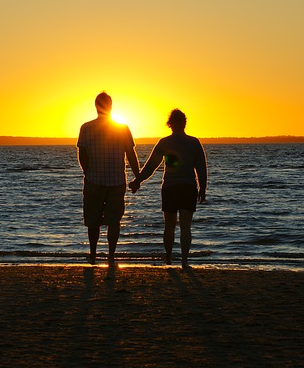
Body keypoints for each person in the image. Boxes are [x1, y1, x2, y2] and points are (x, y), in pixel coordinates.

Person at [129, 109, 207, 267]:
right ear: (184, 122)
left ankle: (169, 258)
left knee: (169, 226)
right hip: (188, 187)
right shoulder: (193, 142)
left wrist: (138, 181)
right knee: (185, 227)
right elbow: (201, 168)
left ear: (170, 124)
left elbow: (151, 166)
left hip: (170, 187)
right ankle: (184, 261)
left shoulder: (165, 142)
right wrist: (202, 188)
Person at [77, 92, 140, 265]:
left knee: (93, 221)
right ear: (110, 106)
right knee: (114, 221)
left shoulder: (86, 128)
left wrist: (87, 172)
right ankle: (111, 256)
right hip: (116, 181)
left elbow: (82, 154)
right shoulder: (122, 128)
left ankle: (93, 255)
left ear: (96, 106)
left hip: (94, 181)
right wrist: (138, 177)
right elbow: (131, 154)